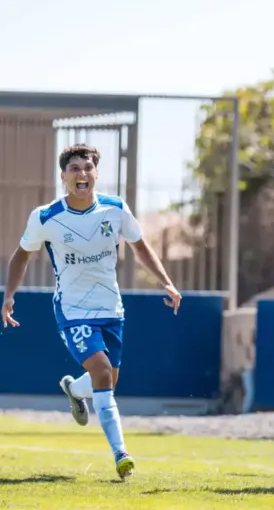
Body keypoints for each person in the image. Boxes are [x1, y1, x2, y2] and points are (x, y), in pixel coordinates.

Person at [1, 144, 182, 481]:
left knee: (109, 379)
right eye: (74, 169)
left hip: (111, 308)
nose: (81, 174)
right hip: (72, 310)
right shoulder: (45, 216)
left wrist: (167, 283)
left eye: (87, 168)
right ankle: (121, 455)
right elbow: (21, 255)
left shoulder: (115, 210)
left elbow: (141, 247)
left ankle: (75, 390)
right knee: (100, 370)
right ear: (63, 176)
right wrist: (9, 295)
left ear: (96, 174)